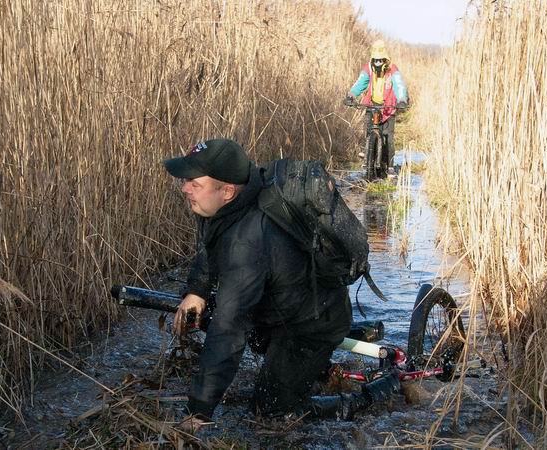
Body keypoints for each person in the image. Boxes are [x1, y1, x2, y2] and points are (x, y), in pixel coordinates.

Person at [163, 138, 399, 432]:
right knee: (219, 316)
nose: (185, 188)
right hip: (279, 305)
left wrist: (198, 411)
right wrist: (197, 290)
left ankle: (370, 396)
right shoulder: (236, 202)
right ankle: (311, 368)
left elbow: (229, 329)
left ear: (226, 191)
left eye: (195, 184)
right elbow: (213, 247)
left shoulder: (248, 242)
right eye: (186, 180)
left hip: (310, 325)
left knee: (270, 414)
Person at [344, 40, 409, 174]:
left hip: (388, 107)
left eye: (381, 60)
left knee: (389, 137)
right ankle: (367, 155)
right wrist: (351, 95)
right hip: (371, 104)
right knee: (369, 131)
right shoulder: (368, 68)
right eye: (376, 60)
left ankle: (390, 167)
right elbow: (360, 83)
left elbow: (399, 85)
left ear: (385, 59)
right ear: (372, 59)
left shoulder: (393, 69)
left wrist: (402, 99)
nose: (378, 63)